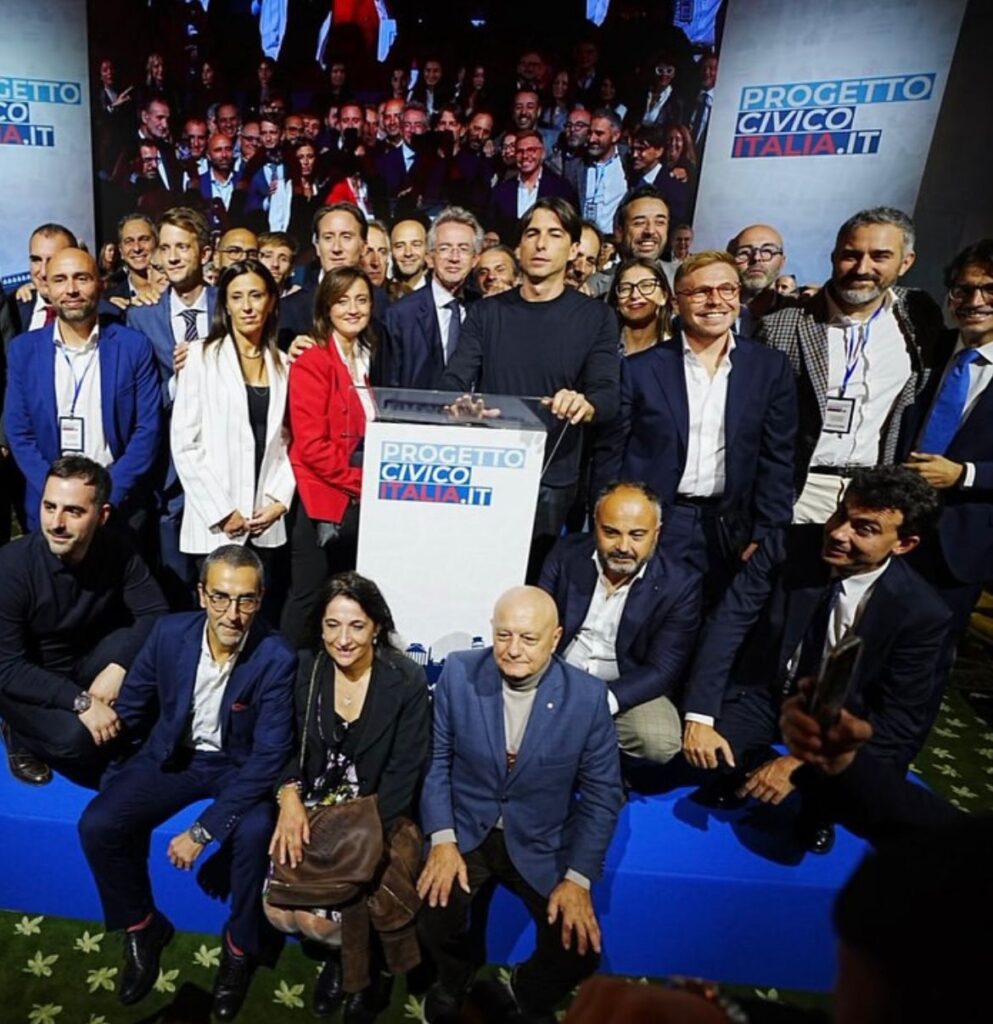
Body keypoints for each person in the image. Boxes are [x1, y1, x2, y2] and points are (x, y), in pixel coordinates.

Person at [681, 467, 950, 854]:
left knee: (842, 793)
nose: (839, 533)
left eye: (864, 529)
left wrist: (802, 765)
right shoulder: (786, 545)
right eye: (841, 514)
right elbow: (728, 624)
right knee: (701, 758)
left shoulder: (923, 613)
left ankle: (818, 806)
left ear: (904, 544)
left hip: (840, 721)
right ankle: (749, 765)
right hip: (766, 692)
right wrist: (700, 716)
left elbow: (900, 721)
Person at [78, 544, 296, 1017]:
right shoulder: (169, 633)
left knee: (255, 831)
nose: (232, 613)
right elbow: (134, 707)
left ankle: (240, 948)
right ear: (201, 595)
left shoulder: (277, 656)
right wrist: (113, 771)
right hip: (174, 757)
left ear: (260, 600)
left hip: (239, 768)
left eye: (245, 600)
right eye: (220, 597)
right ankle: (143, 926)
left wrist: (203, 831)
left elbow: (268, 757)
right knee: (97, 823)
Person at [417, 586, 624, 1023]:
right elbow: (436, 762)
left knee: (578, 950)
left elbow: (603, 794)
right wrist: (442, 839)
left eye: (528, 638)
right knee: (433, 914)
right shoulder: (458, 673)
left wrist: (578, 878)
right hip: (467, 829)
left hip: (540, 837)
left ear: (556, 638)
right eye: (503, 635)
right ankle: (454, 977)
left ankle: (524, 989)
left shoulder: (587, 698)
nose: (513, 650)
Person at [264, 572, 430, 1020]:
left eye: (356, 626)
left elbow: (403, 774)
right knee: (281, 914)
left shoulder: (406, 680)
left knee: (316, 920)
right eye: (332, 625)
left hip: (375, 813)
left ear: (377, 626)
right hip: (310, 807)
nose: (343, 639)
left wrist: (352, 834)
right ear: (319, 627)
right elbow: (280, 744)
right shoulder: (306, 669)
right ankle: (342, 952)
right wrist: (289, 796)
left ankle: (356, 967)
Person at [593, 251, 796, 604]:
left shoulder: (769, 367)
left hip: (730, 527)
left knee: (717, 620)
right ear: (676, 302)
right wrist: (606, 519)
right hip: (654, 521)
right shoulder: (640, 369)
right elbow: (610, 454)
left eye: (726, 289)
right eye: (700, 292)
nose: (715, 301)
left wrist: (767, 531)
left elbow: (777, 458)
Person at [441, 197, 620, 578]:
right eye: (532, 233)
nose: (541, 244)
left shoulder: (597, 317)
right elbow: (453, 381)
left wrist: (583, 403)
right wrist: (460, 404)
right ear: (519, 244)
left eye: (554, 234)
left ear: (574, 249)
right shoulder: (486, 313)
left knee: (535, 584)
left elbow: (607, 395)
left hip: (553, 479)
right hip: (488, 471)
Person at [756, 207, 944, 523]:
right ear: (833, 257)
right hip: (798, 493)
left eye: (880, 256)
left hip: (876, 493)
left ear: (906, 262)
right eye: (851, 255)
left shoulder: (919, 315)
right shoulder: (781, 326)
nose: (862, 268)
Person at [0, 457, 167, 787]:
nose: (56, 523)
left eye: (73, 511)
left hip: (85, 665)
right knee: (79, 741)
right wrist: (82, 703)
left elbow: (155, 613)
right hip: (24, 681)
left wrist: (119, 667)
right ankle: (18, 732)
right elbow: (7, 667)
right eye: (49, 507)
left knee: (154, 681)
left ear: (101, 516)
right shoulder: (11, 567)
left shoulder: (117, 549)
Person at [539, 482, 701, 766]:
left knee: (658, 740)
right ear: (595, 526)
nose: (623, 547)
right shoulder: (566, 554)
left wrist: (602, 702)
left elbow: (663, 669)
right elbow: (539, 624)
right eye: (611, 532)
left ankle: (600, 761)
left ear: (656, 533)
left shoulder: (680, 583)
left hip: (624, 685)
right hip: (558, 674)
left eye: (637, 535)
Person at [899, 239, 993, 720]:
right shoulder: (929, 349)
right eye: (963, 289)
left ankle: (894, 754)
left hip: (961, 542)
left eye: (989, 290)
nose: (974, 301)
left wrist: (965, 475)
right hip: (895, 524)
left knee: (924, 664)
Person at [5, 247, 162, 530]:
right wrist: (58, 496)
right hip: (48, 510)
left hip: (118, 507)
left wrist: (106, 494)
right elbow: (19, 432)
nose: (71, 289)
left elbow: (147, 430)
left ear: (100, 285)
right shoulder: (23, 351)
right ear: (46, 287)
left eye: (82, 278)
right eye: (60, 279)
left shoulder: (133, 347)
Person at [171, 260, 294, 584]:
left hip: (265, 521)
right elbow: (185, 444)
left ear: (271, 301)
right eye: (237, 297)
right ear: (225, 304)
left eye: (256, 295)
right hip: (214, 523)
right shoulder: (199, 357)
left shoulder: (285, 365)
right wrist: (222, 512)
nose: (247, 307)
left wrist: (278, 501)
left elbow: (288, 442)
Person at [280, 267, 378, 648]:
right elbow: (311, 445)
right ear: (326, 307)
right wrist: (364, 482)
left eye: (361, 300)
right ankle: (282, 674)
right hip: (321, 502)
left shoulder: (366, 356)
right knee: (308, 600)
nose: (353, 309)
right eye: (342, 300)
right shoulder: (314, 359)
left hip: (355, 501)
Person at [127, 205, 217, 602]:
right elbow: (143, 395)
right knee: (174, 577)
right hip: (170, 469)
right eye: (165, 248)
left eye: (183, 246)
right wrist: (180, 380)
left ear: (205, 252)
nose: (173, 257)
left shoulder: (231, 306)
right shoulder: (142, 318)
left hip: (223, 459)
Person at [383, 207, 482, 390]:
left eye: (463, 249)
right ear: (429, 258)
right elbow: (391, 386)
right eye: (445, 248)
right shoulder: (401, 315)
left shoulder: (483, 309)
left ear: (475, 259)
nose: (454, 258)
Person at [487, 130, 578, 246]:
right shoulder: (502, 191)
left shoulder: (561, 189)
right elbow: (492, 226)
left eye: (531, 150)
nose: (525, 156)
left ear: (542, 153)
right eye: (520, 151)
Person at [562, 109, 628, 236]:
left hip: (615, 238)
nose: (592, 139)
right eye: (590, 133)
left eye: (599, 134)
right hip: (586, 237)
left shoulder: (628, 160)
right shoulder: (576, 165)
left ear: (615, 136)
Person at [727, 224, 795, 335]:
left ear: (782, 262)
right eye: (744, 252)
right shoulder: (714, 310)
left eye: (767, 251)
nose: (756, 258)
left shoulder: (797, 315)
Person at [607, 257, 674, 356]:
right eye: (626, 288)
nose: (635, 295)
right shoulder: (601, 346)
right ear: (616, 301)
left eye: (646, 286)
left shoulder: (675, 351)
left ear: (664, 296)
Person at [388, 215, 430, 298]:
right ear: (391, 251)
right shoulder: (379, 295)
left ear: (427, 249)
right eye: (400, 246)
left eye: (416, 245)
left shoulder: (438, 294)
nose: (408, 253)